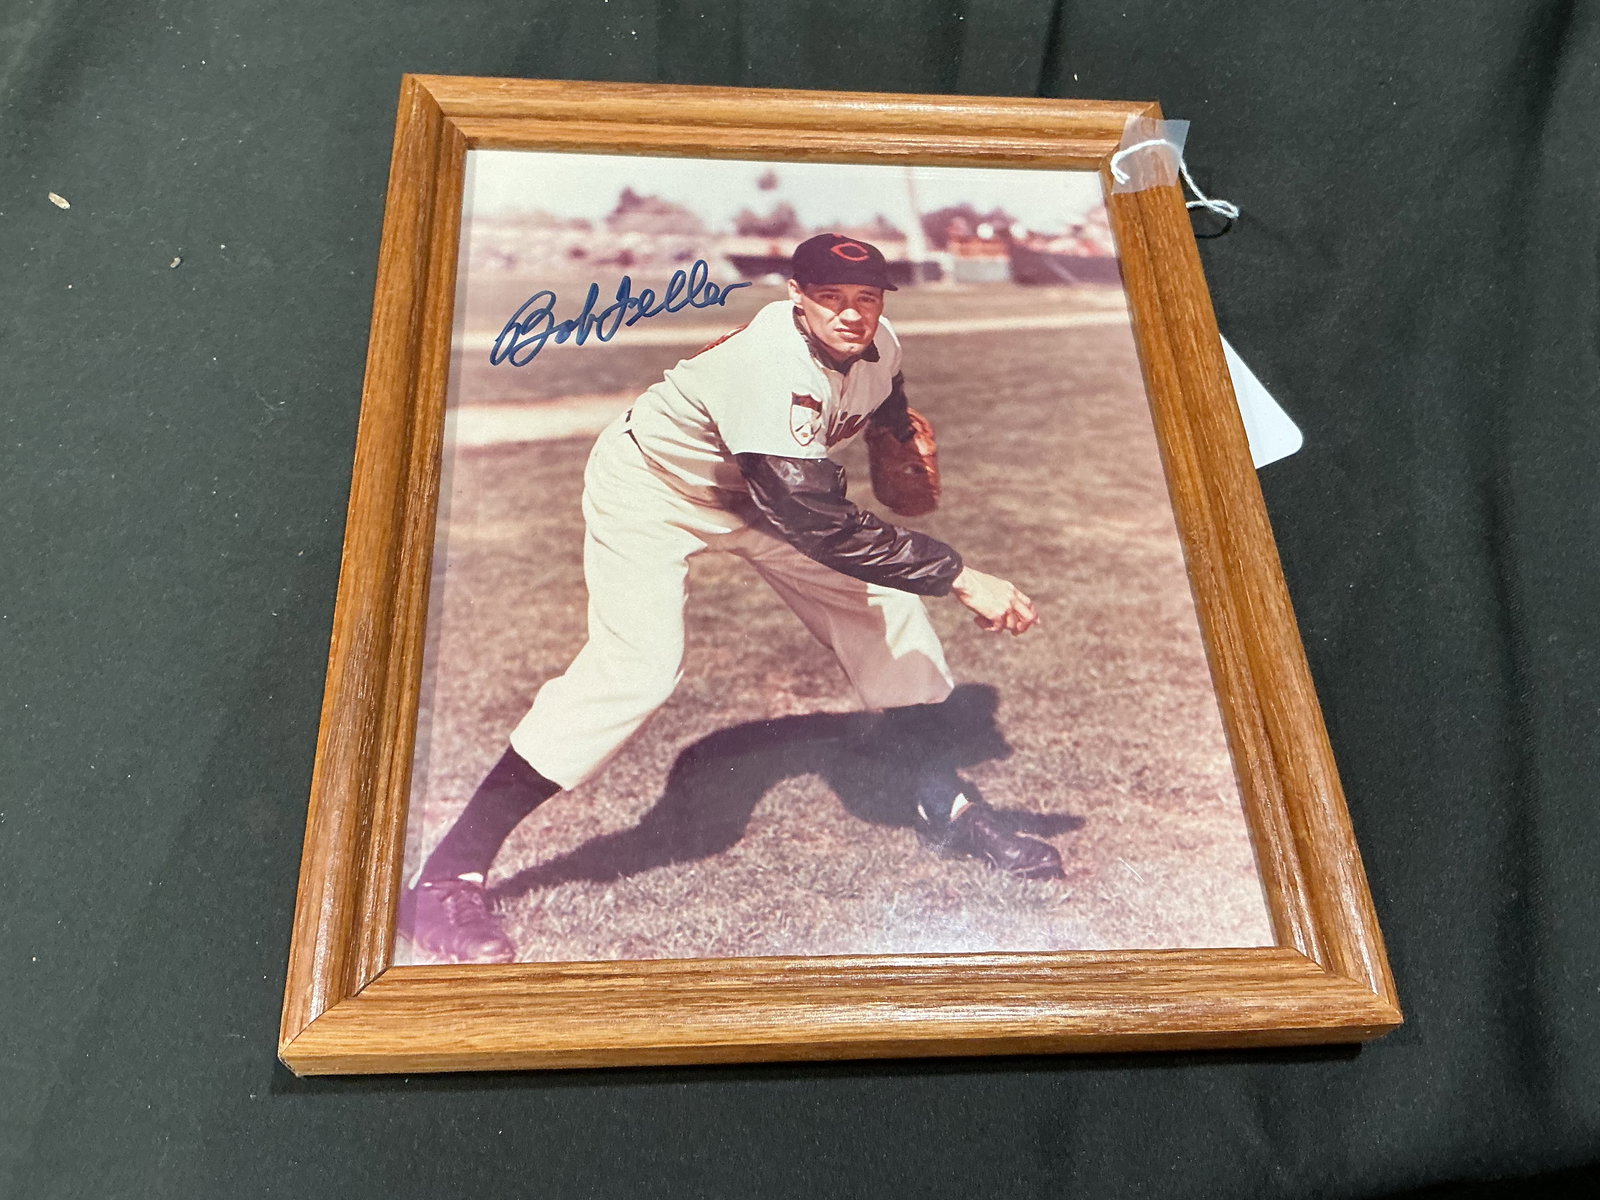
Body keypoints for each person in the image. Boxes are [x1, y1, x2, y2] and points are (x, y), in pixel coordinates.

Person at [399, 233, 1061, 964]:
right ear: (796, 297)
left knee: (888, 612)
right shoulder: (766, 365)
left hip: (758, 496)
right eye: (831, 299)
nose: (851, 315)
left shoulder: (881, 341)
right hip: (654, 488)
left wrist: (896, 428)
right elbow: (816, 522)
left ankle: (944, 801)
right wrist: (962, 576)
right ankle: (444, 879)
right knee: (636, 671)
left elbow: (887, 394)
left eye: (866, 299)